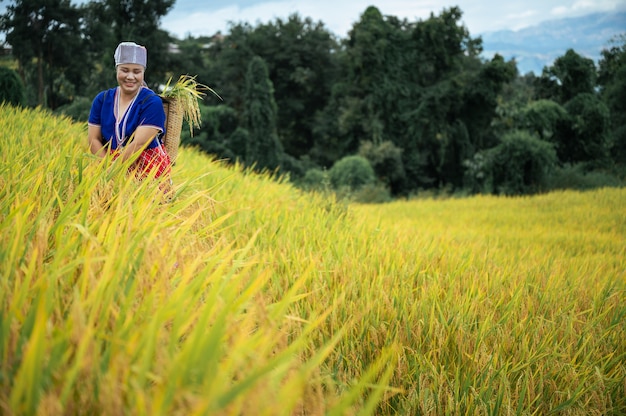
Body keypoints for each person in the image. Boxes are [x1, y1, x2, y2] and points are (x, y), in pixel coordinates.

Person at [88, 41, 172, 185]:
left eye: (137, 71)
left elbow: (138, 144)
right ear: (117, 69)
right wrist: (106, 170)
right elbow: (93, 140)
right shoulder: (102, 100)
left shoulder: (151, 103)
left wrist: (113, 172)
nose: (130, 77)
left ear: (143, 73)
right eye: (125, 70)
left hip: (147, 171)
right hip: (107, 165)